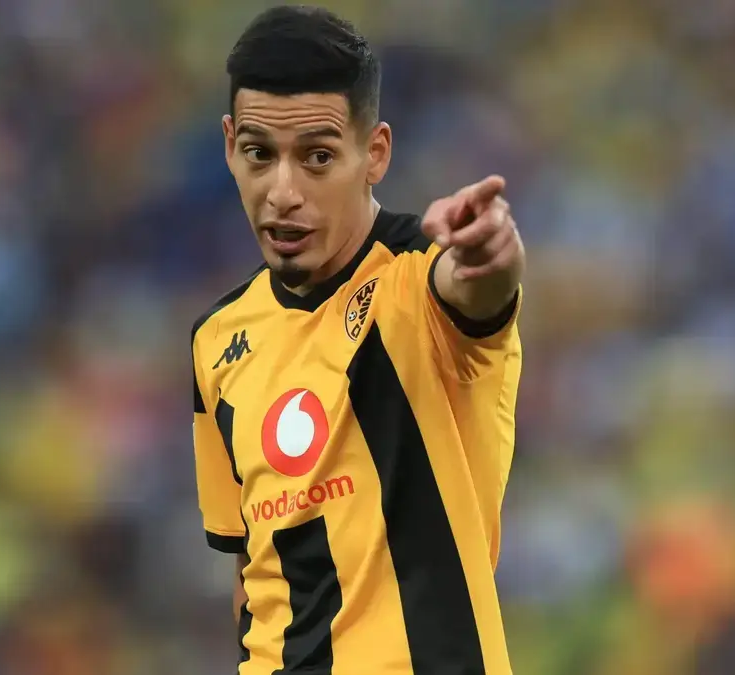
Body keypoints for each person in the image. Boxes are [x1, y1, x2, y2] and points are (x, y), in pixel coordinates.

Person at [190, 5, 524, 673]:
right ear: (229, 147)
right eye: (259, 154)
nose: (283, 192)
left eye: (317, 157)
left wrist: (487, 252)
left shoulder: (417, 280)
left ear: (375, 152)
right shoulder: (216, 339)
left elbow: (476, 287)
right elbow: (253, 574)